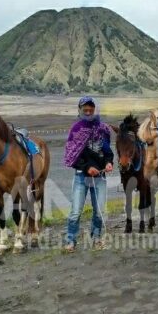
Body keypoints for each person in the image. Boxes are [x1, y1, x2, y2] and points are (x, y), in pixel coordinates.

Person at [63, 97, 114, 252]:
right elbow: (73, 157)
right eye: (85, 110)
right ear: (80, 110)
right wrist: (87, 168)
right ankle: (71, 240)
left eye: (91, 110)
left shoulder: (103, 129)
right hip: (81, 177)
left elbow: (107, 152)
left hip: (99, 177)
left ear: (95, 110)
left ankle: (96, 237)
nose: (88, 112)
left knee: (99, 211)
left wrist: (108, 162)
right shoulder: (76, 130)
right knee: (75, 211)